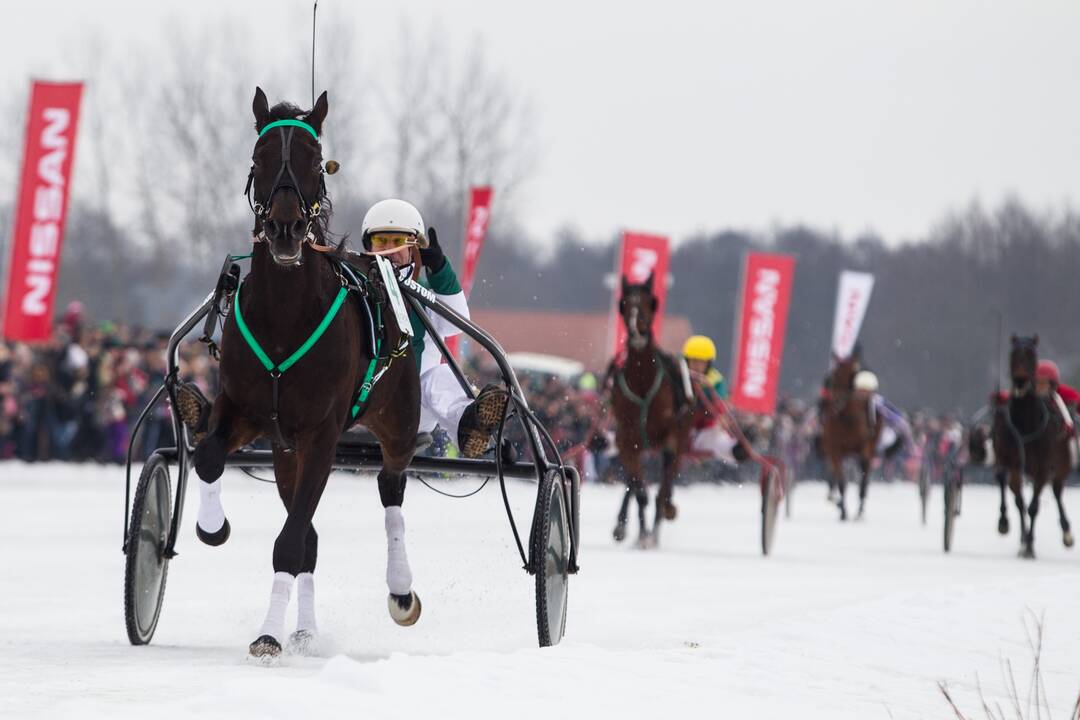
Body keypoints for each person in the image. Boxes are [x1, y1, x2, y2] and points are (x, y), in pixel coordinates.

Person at [357, 198, 508, 458]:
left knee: (438, 377)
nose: (390, 251)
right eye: (382, 242)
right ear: (368, 245)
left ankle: (472, 426)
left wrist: (440, 270)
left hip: (409, 408)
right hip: (355, 403)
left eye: (398, 242)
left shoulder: (424, 292)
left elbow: (455, 323)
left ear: (415, 247)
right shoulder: (352, 289)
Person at [681, 335, 744, 464]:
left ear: (708, 364)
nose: (697, 367)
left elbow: (722, 405)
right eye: (694, 362)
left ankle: (734, 450)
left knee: (716, 438)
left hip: (704, 429)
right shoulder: (678, 378)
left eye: (701, 362)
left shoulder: (716, 381)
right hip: (680, 428)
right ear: (686, 362)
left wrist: (708, 388)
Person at [852, 370, 911, 459]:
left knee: (889, 437)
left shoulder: (878, 402)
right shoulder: (850, 403)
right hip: (856, 439)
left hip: (875, 438)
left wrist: (909, 443)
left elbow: (899, 421)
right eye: (860, 390)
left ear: (872, 391)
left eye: (866, 391)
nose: (862, 394)